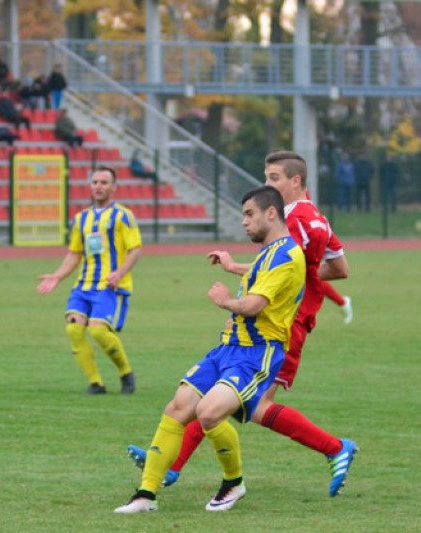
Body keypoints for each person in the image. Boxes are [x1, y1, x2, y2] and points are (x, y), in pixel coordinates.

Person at [127, 151, 358, 496]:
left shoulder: (293, 218)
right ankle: (170, 465)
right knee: (226, 396)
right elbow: (339, 269)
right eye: (266, 177)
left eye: (274, 178)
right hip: (286, 318)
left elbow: (281, 266)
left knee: (250, 404)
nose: (267, 184)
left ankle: (335, 448)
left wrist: (256, 282)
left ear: (295, 181)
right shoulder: (317, 217)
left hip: (281, 324)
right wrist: (296, 279)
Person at [114, 186, 307, 514]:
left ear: (272, 213)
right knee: (178, 407)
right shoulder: (271, 251)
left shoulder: (288, 255)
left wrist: (226, 301)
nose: (244, 222)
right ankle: (145, 495)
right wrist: (233, 267)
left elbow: (255, 304)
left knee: (209, 411)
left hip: (257, 352)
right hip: (228, 347)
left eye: (250, 214)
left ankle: (233, 482)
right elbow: (261, 272)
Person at [37, 166, 141, 395]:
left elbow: (135, 250)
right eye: (95, 182)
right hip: (83, 285)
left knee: (98, 331)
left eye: (104, 182)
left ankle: (125, 372)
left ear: (113, 187)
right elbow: (75, 253)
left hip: (109, 286)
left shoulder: (123, 215)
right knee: (74, 329)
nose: (98, 186)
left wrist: (119, 273)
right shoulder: (81, 218)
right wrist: (57, 276)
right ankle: (96, 383)